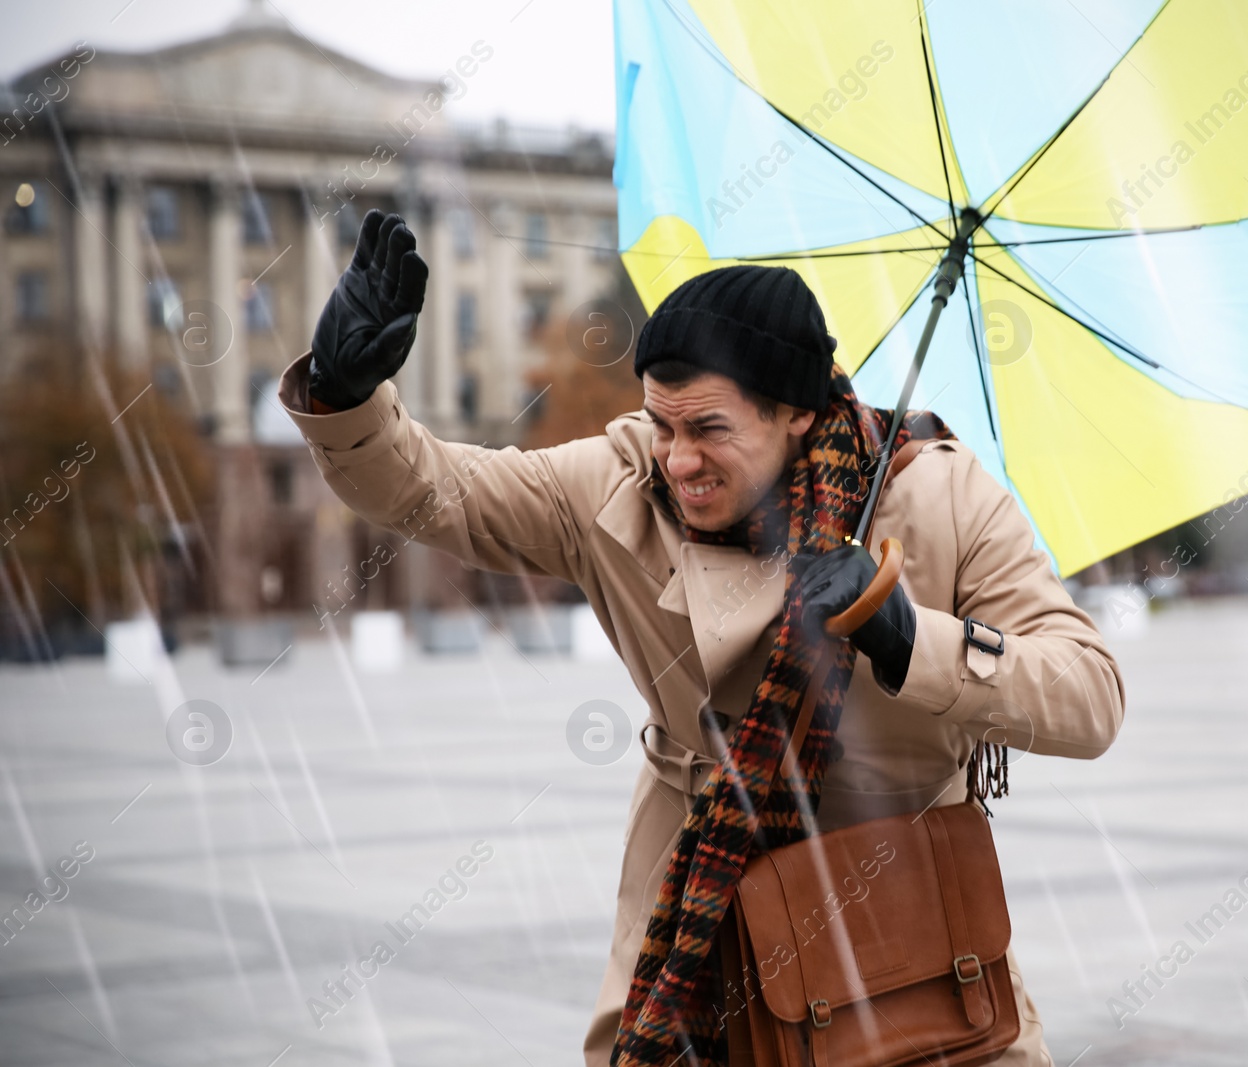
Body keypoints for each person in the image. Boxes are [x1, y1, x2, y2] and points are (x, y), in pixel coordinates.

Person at [280, 210, 1126, 1065]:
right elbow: (439, 492)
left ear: (794, 413)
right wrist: (349, 398)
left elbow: (1090, 696)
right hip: (701, 926)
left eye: (710, 428)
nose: (677, 459)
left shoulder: (943, 494)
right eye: (662, 422)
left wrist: (906, 635)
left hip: (908, 927)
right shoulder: (614, 487)